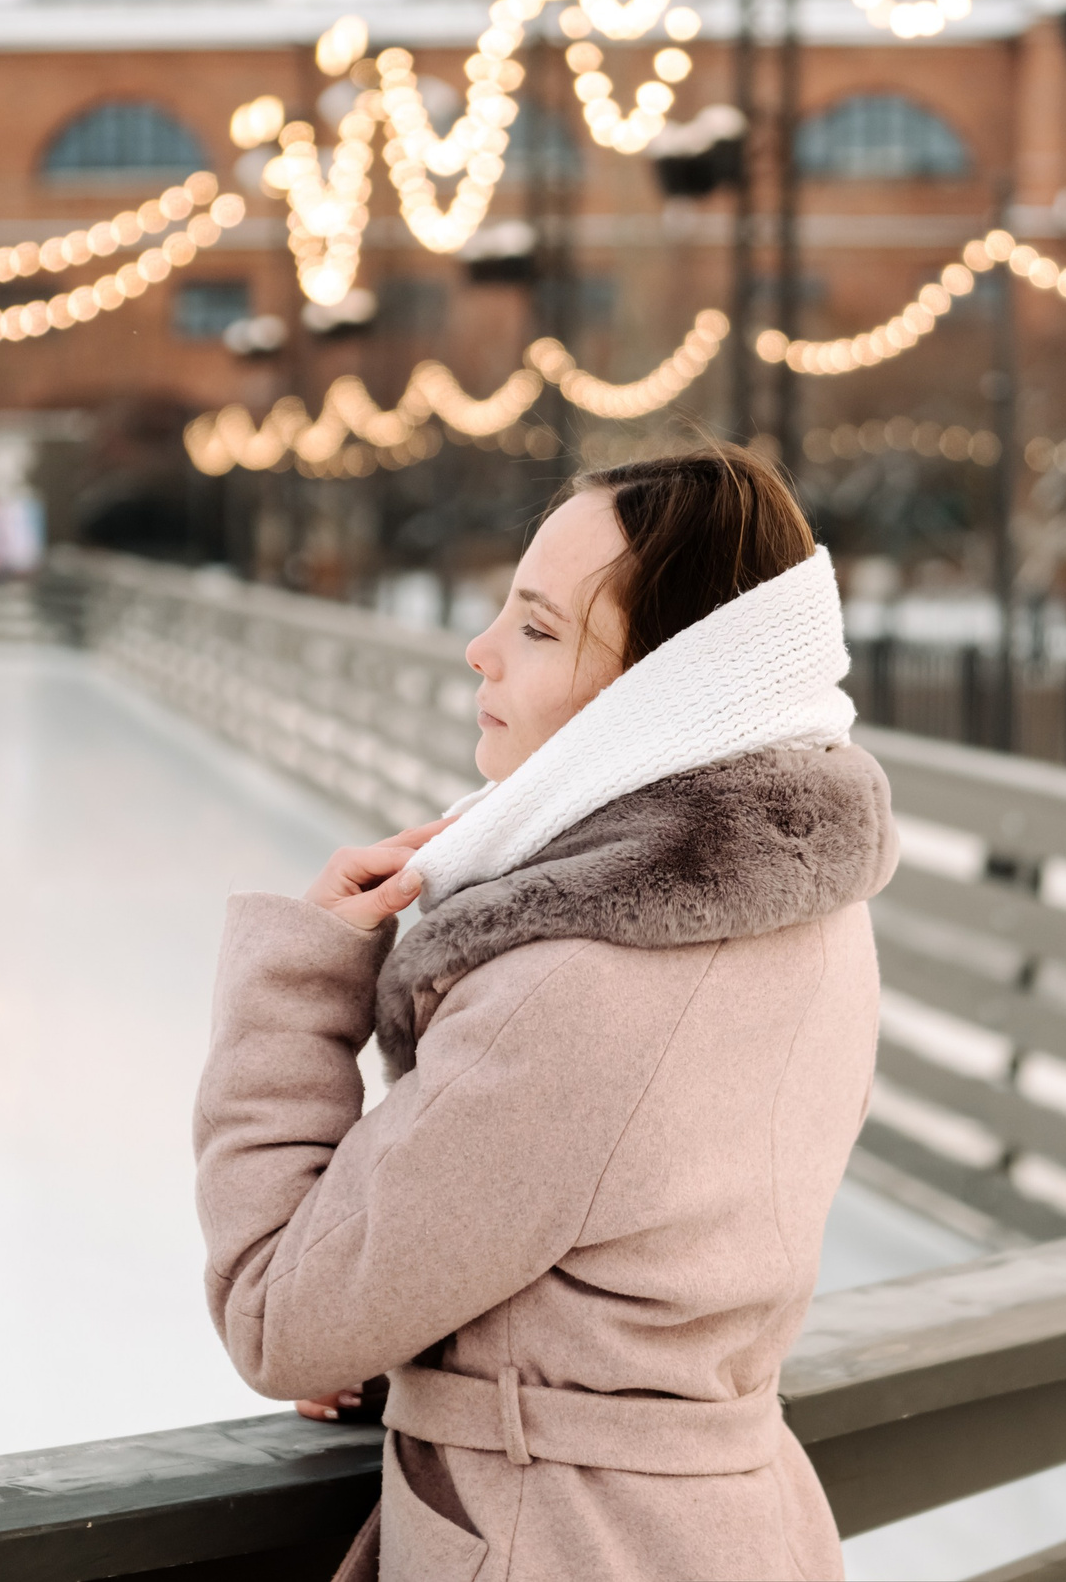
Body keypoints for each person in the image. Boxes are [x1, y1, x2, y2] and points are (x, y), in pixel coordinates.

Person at [193, 446, 896, 1581]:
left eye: (534, 627)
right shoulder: (808, 909)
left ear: (659, 687)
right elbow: (624, 1239)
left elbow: (279, 1319)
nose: (479, 649)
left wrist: (297, 985)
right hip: (732, 1525)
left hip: (564, 1542)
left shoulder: (569, 986)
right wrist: (433, 1328)